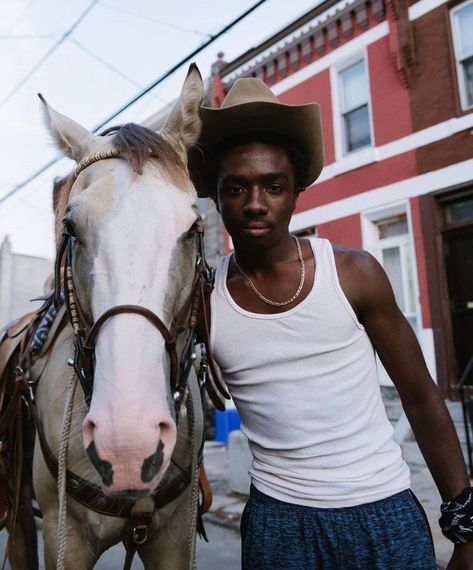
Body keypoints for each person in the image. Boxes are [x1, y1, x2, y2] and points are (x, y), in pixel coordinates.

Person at [190, 78, 473, 569]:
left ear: (297, 192)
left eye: (273, 186)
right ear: (216, 198)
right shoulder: (202, 298)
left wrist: (466, 528)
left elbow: (422, 397)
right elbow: (166, 384)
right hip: (278, 527)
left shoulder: (353, 272)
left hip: (383, 513)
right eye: (236, 188)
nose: (255, 204)